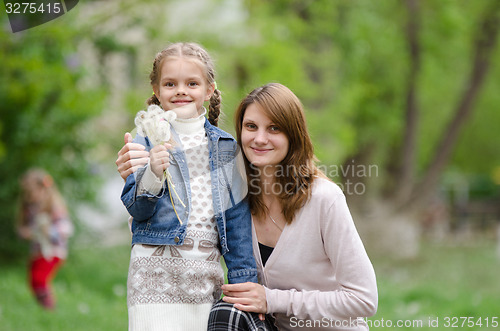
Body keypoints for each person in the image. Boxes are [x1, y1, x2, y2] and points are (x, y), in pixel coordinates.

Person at [207, 83, 378, 330]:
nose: (260, 138)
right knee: (227, 313)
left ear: (293, 135)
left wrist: (273, 299)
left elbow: (364, 299)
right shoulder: (236, 200)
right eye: (251, 127)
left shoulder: (324, 199)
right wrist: (145, 176)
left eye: (274, 128)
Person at [119, 42, 257, 331]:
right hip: (152, 276)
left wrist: (245, 284)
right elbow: (137, 208)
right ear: (157, 91)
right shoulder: (145, 138)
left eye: (191, 83)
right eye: (170, 83)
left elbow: (236, 223)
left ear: (209, 90)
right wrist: (154, 172)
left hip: (203, 277)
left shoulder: (226, 148)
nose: (181, 90)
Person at [17, 168, 73, 310]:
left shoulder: (54, 206)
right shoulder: (30, 207)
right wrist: (25, 233)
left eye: (30, 193)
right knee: (33, 281)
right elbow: (24, 227)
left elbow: (66, 228)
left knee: (39, 278)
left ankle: (49, 307)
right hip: (37, 250)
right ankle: (42, 305)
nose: (28, 197)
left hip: (53, 250)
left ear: (42, 189)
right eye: (26, 193)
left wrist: (50, 232)